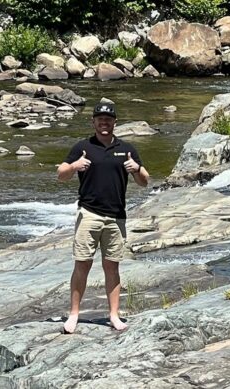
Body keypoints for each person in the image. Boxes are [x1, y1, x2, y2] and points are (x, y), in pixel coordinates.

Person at [57, 102, 149, 334]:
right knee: (82, 264)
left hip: (117, 217)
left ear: (114, 122)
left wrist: (136, 168)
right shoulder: (83, 146)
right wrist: (75, 166)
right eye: (100, 119)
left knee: (112, 267)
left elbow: (144, 181)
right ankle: (74, 315)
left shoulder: (126, 148)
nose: (104, 123)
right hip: (89, 213)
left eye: (108, 119)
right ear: (93, 122)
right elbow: (61, 174)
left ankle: (114, 316)